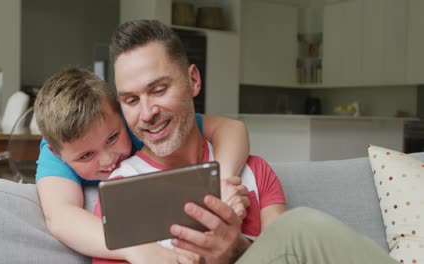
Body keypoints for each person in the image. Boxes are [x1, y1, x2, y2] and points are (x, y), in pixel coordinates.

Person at [93, 19, 397, 264]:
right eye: (131, 100)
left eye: (159, 90)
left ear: (193, 81)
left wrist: (235, 249)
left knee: (296, 228)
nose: (147, 113)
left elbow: (288, 254)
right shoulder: (119, 192)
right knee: (300, 225)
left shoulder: (254, 172)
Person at [34, 67, 251, 260]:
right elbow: (61, 216)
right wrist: (135, 248)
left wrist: (219, 183)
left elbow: (232, 128)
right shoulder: (57, 147)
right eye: (86, 156)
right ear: (56, 153)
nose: (108, 159)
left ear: (121, 111)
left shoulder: (138, 124)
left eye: (112, 138)